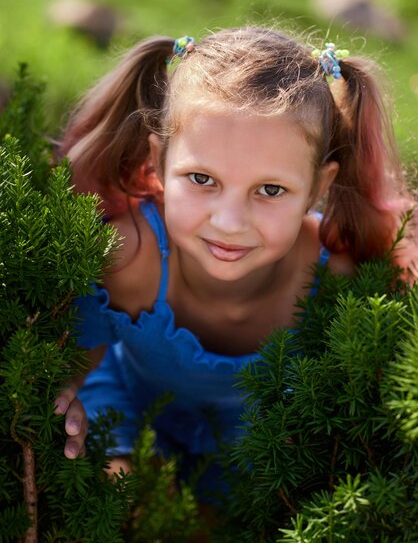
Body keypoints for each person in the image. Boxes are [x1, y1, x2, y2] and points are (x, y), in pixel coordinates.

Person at [54, 27, 417, 491]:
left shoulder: (337, 280)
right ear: (160, 163)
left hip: (259, 449)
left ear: (319, 189)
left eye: (270, 190)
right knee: (124, 493)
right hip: (129, 416)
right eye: (202, 178)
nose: (229, 221)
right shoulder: (130, 258)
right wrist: (65, 401)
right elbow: (69, 371)